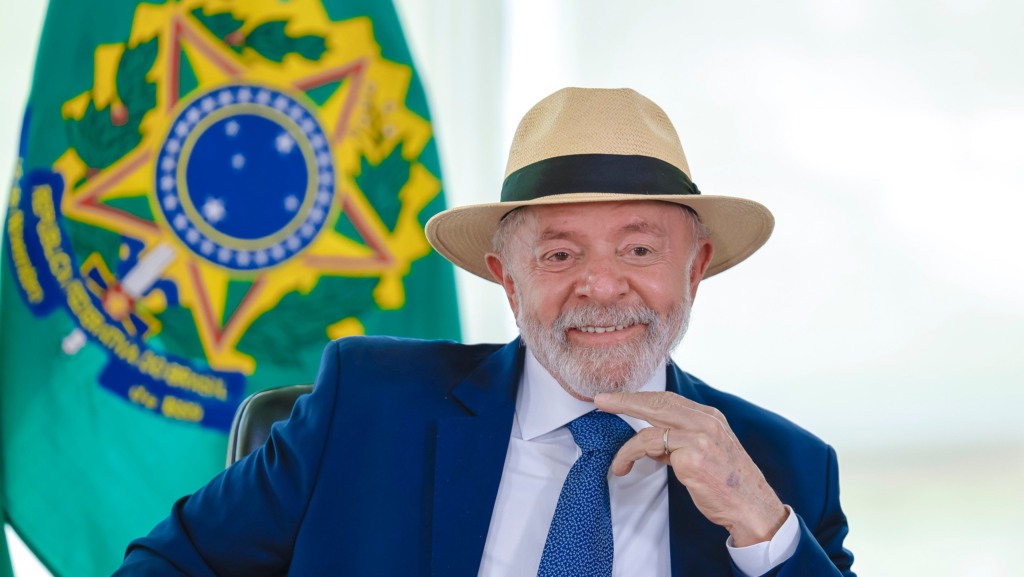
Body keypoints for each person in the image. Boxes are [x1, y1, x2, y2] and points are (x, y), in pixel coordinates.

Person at [116, 87, 855, 576]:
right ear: (508, 278)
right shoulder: (368, 405)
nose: (601, 286)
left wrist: (763, 525)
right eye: (560, 254)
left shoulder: (783, 472)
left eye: (638, 249)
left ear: (694, 269)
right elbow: (165, 565)